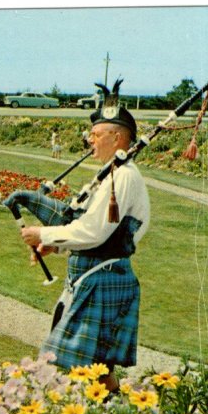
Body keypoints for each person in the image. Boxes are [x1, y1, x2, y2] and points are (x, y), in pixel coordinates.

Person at [20, 81, 150, 392]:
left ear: (116, 137)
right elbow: (99, 232)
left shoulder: (124, 178)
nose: (89, 139)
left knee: (66, 365)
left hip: (101, 281)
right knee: (99, 370)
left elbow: (95, 232)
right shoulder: (111, 175)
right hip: (95, 279)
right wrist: (56, 246)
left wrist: (43, 232)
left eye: (94, 134)